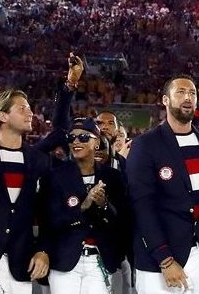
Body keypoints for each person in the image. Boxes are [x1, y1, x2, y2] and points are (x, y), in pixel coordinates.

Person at [0, 54, 78, 294]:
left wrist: (69, 86)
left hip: (21, 262)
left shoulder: (39, 160)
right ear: (2, 116)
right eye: (22, 108)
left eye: (30, 108)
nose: (31, 113)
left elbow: (47, 214)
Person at [127, 74, 199, 294]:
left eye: (192, 93)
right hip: (160, 261)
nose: (188, 97)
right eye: (180, 92)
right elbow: (142, 206)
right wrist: (165, 258)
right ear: (165, 100)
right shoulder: (145, 145)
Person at [41, 117, 127, 294]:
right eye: (72, 138)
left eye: (84, 137)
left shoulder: (112, 177)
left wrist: (104, 205)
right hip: (65, 260)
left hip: (100, 260)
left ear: (96, 143)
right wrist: (82, 206)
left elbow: (121, 222)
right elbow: (50, 221)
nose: (76, 142)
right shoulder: (56, 176)